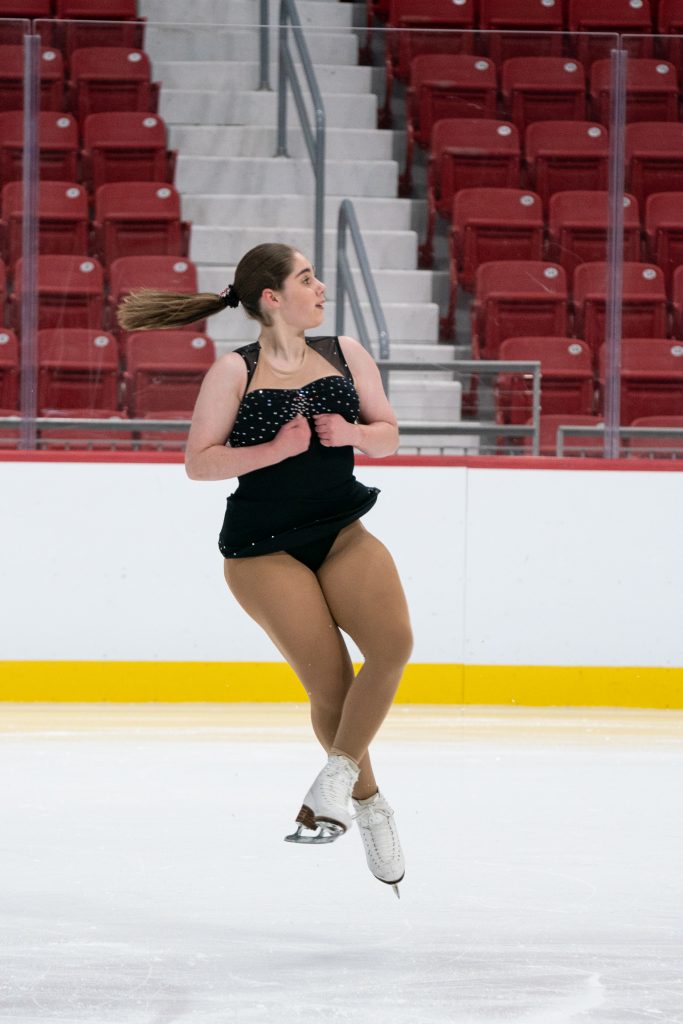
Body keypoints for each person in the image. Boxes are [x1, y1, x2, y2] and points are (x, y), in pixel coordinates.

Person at [117, 242, 413, 896]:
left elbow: (389, 431)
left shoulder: (344, 353)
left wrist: (356, 434)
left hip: (340, 530)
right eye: (306, 278)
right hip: (263, 548)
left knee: (393, 646)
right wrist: (276, 448)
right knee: (332, 684)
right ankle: (370, 805)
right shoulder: (233, 370)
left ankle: (335, 778)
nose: (320, 287)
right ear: (273, 298)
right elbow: (199, 462)